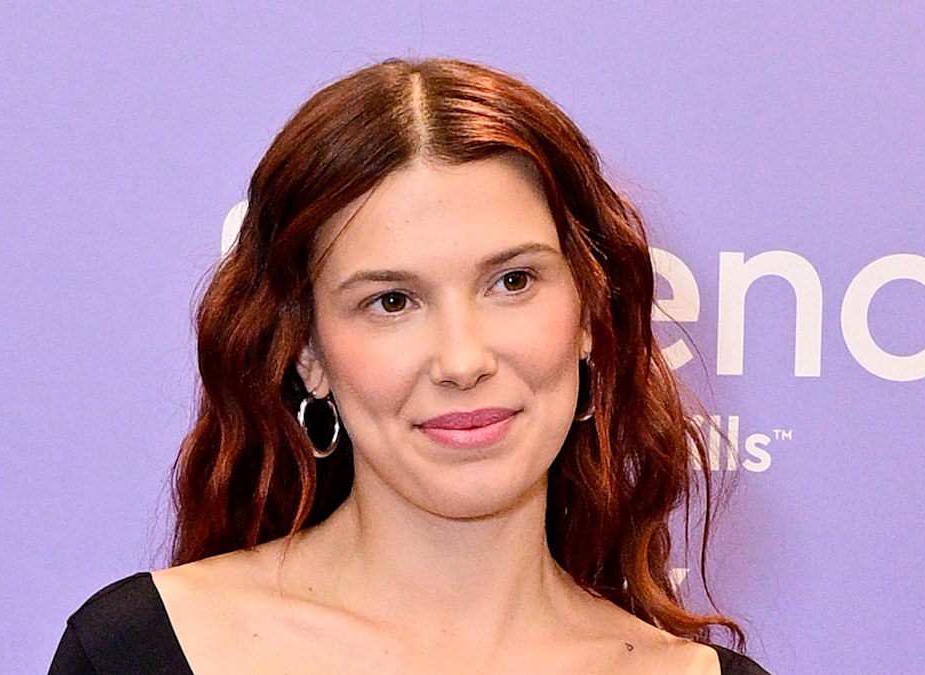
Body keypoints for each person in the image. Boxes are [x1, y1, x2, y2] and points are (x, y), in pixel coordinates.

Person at [50, 58, 771, 674]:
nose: (463, 360)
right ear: (308, 352)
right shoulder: (138, 651)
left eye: (512, 281)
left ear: (588, 313)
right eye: (392, 301)